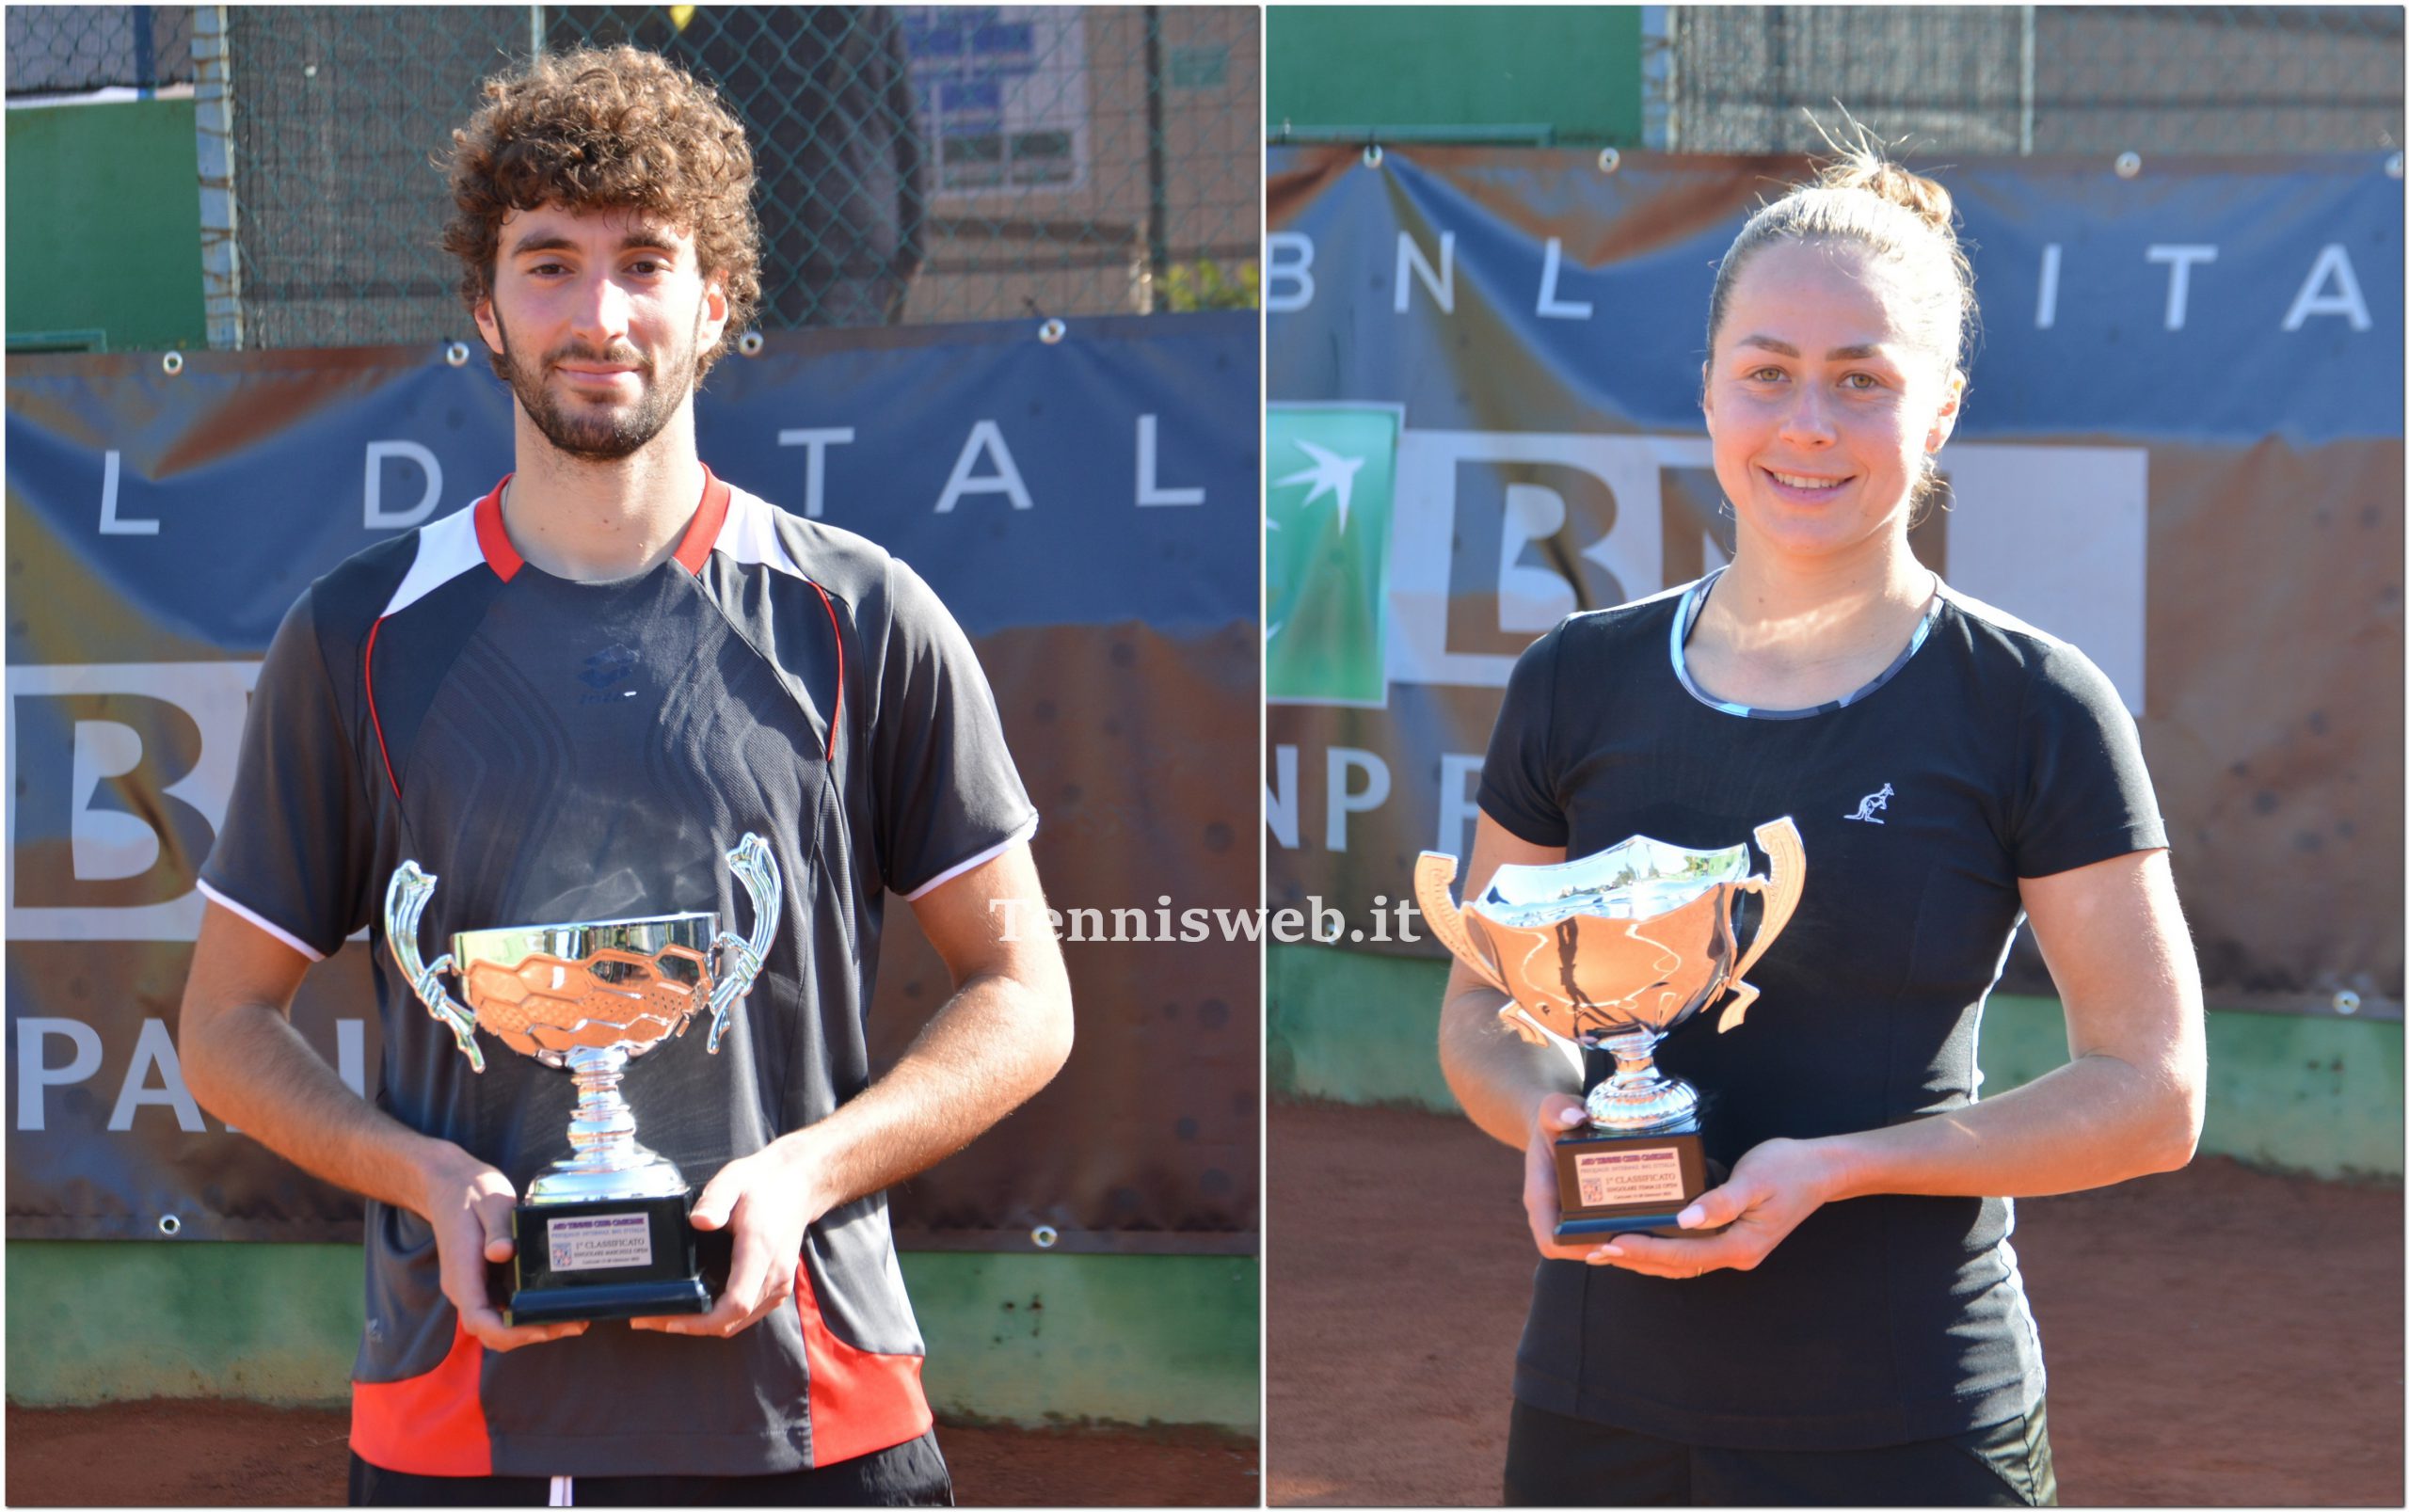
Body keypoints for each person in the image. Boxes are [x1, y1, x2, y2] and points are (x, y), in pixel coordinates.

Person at [178, 45, 1071, 1506]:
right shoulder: (359, 634)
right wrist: (425, 1177)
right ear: (485, 306)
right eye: (548, 264)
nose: (599, 316)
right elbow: (224, 1024)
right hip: (462, 1424)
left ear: (716, 302)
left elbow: (1025, 997)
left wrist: (807, 1174)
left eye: (644, 262)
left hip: (816, 1413)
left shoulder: (864, 615)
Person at [1436, 135, 2207, 1507]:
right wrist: (1557, 1125)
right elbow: (1486, 1013)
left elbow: (2153, 1092)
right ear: (1711, 389)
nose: (1808, 423)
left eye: (1863, 381)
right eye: (1769, 372)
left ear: (1944, 411)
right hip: (1597, 1409)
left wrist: (1840, 1171)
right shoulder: (1575, 677)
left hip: (1909, 1419)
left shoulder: (2034, 704)